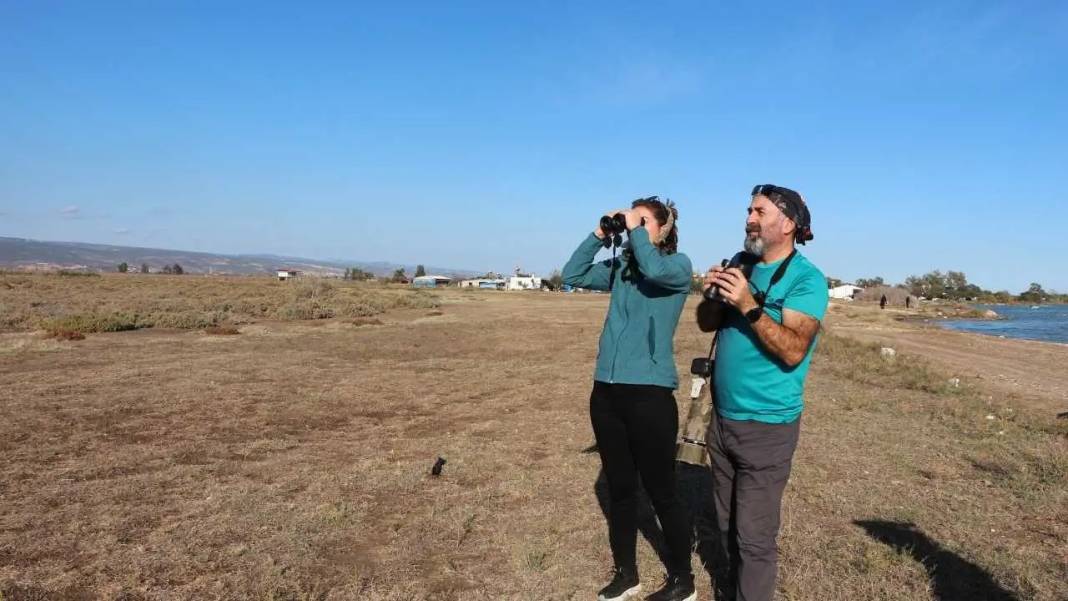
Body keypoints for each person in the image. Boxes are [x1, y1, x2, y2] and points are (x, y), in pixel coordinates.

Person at [696, 184, 827, 601]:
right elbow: (706, 323)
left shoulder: (807, 279)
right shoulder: (742, 262)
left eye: (759, 211)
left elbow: (792, 350)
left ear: (787, 224)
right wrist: (714, 295)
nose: (749, 218)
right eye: (748, 210)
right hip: (723, 419)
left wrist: (749, 304)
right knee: (725, 524)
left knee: (754, 537)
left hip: (767, 426)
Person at [563, 197, 697, 601]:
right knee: (621, 489)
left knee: (661, 491)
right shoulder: (621, 269)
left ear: (663, 230)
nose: (631, 225)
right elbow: (573, 274)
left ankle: (683, 581)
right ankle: (627, 575)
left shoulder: (677, 267)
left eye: (642, 220)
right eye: (630, 219)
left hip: (650, 393)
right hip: (606, 390)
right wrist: (601, 232)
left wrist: (636, 229)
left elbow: (653, 267)